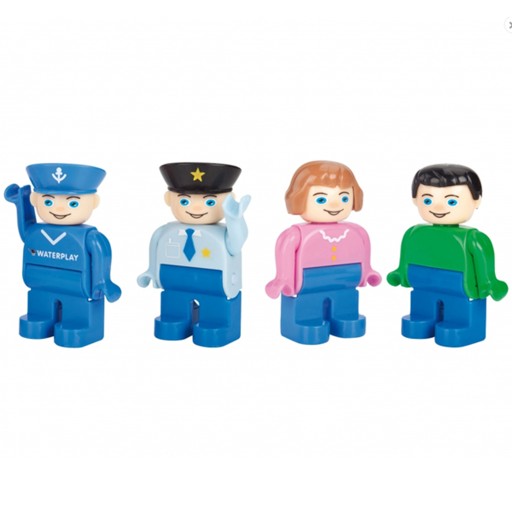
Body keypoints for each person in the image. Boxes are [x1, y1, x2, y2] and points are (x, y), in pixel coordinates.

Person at [387, 163, 508, 347]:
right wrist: (401, 273)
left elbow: (484, 263)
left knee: (457, 309)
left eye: (451, 201)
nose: (438, 207)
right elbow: (405, 260)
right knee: (422, 306)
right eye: (428, 200)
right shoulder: (413, 234)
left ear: (476, 200)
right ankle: (426, 317)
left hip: (460, 289)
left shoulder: (472, 238)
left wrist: (489, 283)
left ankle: (465, 327)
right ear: (415, 199)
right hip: (422, 285)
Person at [4, 163, 121, 348]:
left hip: (77, 288)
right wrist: (21, 201)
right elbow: (25, 228)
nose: (59, 209)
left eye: (73, 203)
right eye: (48, 202)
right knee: (39, 308)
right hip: (40, 283)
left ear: (93, 202)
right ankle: (43, 317)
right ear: (35, 200)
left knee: (76, 311)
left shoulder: (89, 237)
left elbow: (102, 255)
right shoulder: (35, 232)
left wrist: (102, 281)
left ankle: (82, 326)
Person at [266, 160, 381, 344]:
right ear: (299, 199)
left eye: (344, 198)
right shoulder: (296, 234)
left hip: (347, 282)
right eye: (321, 199)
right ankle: (303, 322)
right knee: (308, 307)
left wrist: (367, 272)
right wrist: (283, 279)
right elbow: (284, 253)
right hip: (308, 286)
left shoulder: (357, 232)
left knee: (345, 305)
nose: (335, 205)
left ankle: (343, 316)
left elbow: (365, 256)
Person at [138, 162, 250, 348]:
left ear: (228, 200)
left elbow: (237, 243)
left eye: (210, 202)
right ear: (169, 199)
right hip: (173, 280)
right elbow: (154, 248)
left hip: (215, 283)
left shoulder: (224, 234)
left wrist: (235, 219)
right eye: (184, 201)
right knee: (174, 306)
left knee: (215, 309)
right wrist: (151, 271)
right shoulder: (164, 232)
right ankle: (177, 319)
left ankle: (216, 323)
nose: (196, 208)